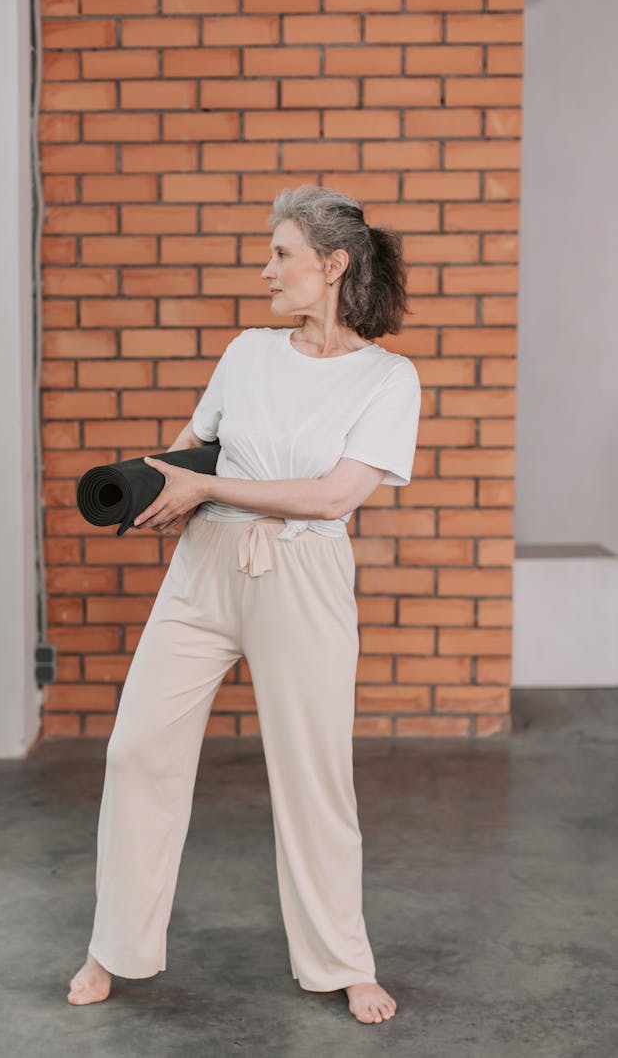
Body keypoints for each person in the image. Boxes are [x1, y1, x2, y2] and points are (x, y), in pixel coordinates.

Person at [68, 185, 422, 1025]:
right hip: (205, 566)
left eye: (281, 255)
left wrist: (202, 481)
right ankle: (111, 946)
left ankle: (343, 960)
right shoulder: (248, 350)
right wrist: (163, 489)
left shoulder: (388, 379)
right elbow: (203, 450)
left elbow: (335, 496)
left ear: (332, 267)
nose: (266, 269)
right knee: (136, 752)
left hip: (301, 578)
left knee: (314, 777)